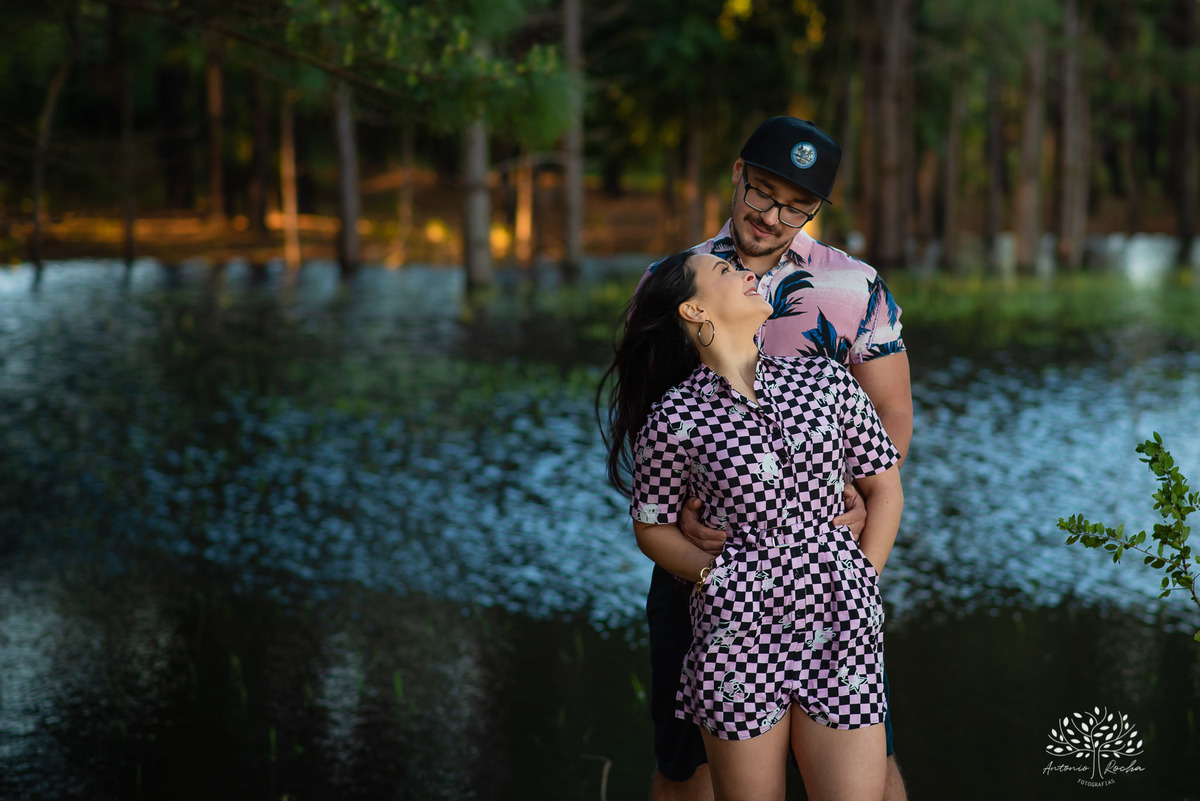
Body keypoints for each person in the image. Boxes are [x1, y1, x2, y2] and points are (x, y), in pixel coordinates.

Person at [635, 117, 914, 801]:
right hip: (713, 579)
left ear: (817, 209)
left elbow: (891, 418)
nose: (773, 215)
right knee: (685, 763)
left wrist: (851, 521)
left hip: (828, 574)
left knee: (869, 762)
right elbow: (649, 428)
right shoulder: (676, 280)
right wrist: (693, 519)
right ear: (737, 174)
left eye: (797, 205)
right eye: (763, 192)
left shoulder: (853, 288)